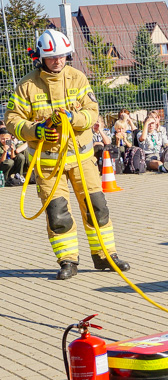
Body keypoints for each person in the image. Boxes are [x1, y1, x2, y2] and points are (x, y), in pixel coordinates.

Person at [4, 29, 131, 280]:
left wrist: (75, 119)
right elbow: (11, 120)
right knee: (57, 212)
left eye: (62, 56)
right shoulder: (27, 85)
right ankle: (68, 261)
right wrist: (36, 130)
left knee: (97, 207)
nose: (58, 61)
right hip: (48, 164)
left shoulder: (78, 78)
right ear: (40, 57)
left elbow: (93, 111)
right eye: (52, 57)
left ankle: (105, 255)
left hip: (82, 159)